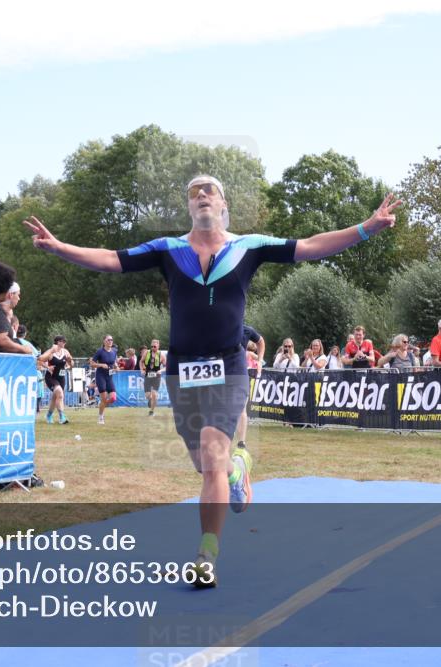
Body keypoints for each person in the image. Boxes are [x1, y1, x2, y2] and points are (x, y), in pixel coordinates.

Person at [23, 173, 400, 587]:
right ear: (188, 208)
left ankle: (207, 554)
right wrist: (60, 248)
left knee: (212, 451)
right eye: (193, 192)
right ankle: (239, 470)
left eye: (210, 191)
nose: (202, 195)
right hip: (181, 368)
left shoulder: (248, 246)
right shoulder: (168, 249)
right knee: (205, 464)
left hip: (229, 365)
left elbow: (310, 246)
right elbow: (111, 259)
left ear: (223, 207)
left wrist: (367, 227)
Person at [39, 335, 74, 424]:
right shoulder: (51, 352)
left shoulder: (65, 352)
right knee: (60, 393)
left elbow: (71, 365)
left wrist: (70, 361)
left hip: (61, 378)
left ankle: (49, 415)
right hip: (51, 377)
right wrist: (48, 367)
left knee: (56, 397)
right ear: (58, 342)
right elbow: (40, 360)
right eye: (63, 341)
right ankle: (62, 417)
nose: (65, 343)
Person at [90, 334, 118, 425]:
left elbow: (114, 363)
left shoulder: (114, 351)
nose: (110, 341)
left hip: (109, 377)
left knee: (113, 398)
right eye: (108, 340)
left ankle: (102, 404)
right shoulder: (100, 351)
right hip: (100, 376)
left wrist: (116, 367)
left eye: (111, 340)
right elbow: (92, 363)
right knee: (104, 397)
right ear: (104, 341)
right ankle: (101, 417)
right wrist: (101, 365)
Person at [140, 338, 166, 417]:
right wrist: (142, 370)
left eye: (154, 346)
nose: (153, 348)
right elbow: (141, 361)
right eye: (152, 346)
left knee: (154, 394)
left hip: (156, 377)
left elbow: (166, 366)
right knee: (148, 395)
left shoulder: (161, 355)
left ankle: (151, 411)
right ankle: (151, 400)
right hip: (148, 376)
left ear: (158, 346)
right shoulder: (147, 353)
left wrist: (161, 371)